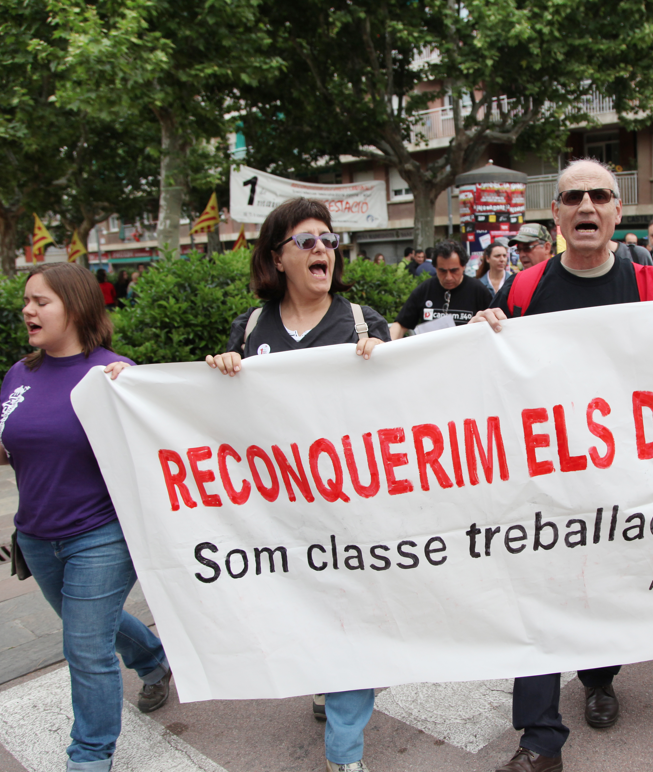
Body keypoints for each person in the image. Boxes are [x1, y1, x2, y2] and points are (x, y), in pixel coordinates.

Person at [472, 159, 653, 772]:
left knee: (605, 587)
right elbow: (483, 372)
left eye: (600, 196)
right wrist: (481, 326)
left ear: (617, 212)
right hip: (545, 481)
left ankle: (599, 678)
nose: (586, 207)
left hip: (624, 478)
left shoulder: (652, 285)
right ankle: (540, 739)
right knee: (539, 595)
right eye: (573, 197)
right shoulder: (523, 289)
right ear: (557, 215)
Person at [0, 262, 170, 772]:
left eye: (41, 301)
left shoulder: (114, 373)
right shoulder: (18, 375)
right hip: (36, 537)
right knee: (89, 627)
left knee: (85, 649)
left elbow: (148, 445)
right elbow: (11, 447)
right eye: (26, 301)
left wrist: (132, 391)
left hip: (101, 535)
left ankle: (89, 756)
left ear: (76, 307)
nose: (28, 310)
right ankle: (154, 661)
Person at [206, 198, 388, 772]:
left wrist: (389, 364)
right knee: (307, 613)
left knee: (352, 619)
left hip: (352, 511)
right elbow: (220, 420)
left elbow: (403, 412)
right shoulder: (251, 326)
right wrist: (219, 371)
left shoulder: (364, 322)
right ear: (276, 258)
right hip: (280, 514)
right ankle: (323, 674)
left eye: (328, 240)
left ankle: (344, 752)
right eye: (305, 241)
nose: (320, 250)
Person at [390, 240, 492, 339]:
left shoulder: (479, 291)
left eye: (454, 271)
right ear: (435, 267)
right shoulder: (424, 290)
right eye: (442, 271)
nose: (448, 277)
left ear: (463, 266)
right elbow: (400, 324)